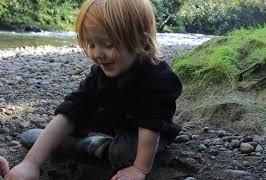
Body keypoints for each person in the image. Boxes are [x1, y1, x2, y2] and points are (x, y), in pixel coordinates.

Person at [0, 0, 182, 179]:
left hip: (144, 133)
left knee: (125, 153)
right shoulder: (100, 72)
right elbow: (74, 107)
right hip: (111, 123)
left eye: (108, 44)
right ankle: (83, 143)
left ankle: (87, 145)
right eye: (92, 44)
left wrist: (140, 169)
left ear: (142, 40)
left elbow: (150, 124)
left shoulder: (159, 78)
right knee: (63, 124)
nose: (97, 54)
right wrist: (31, 162)